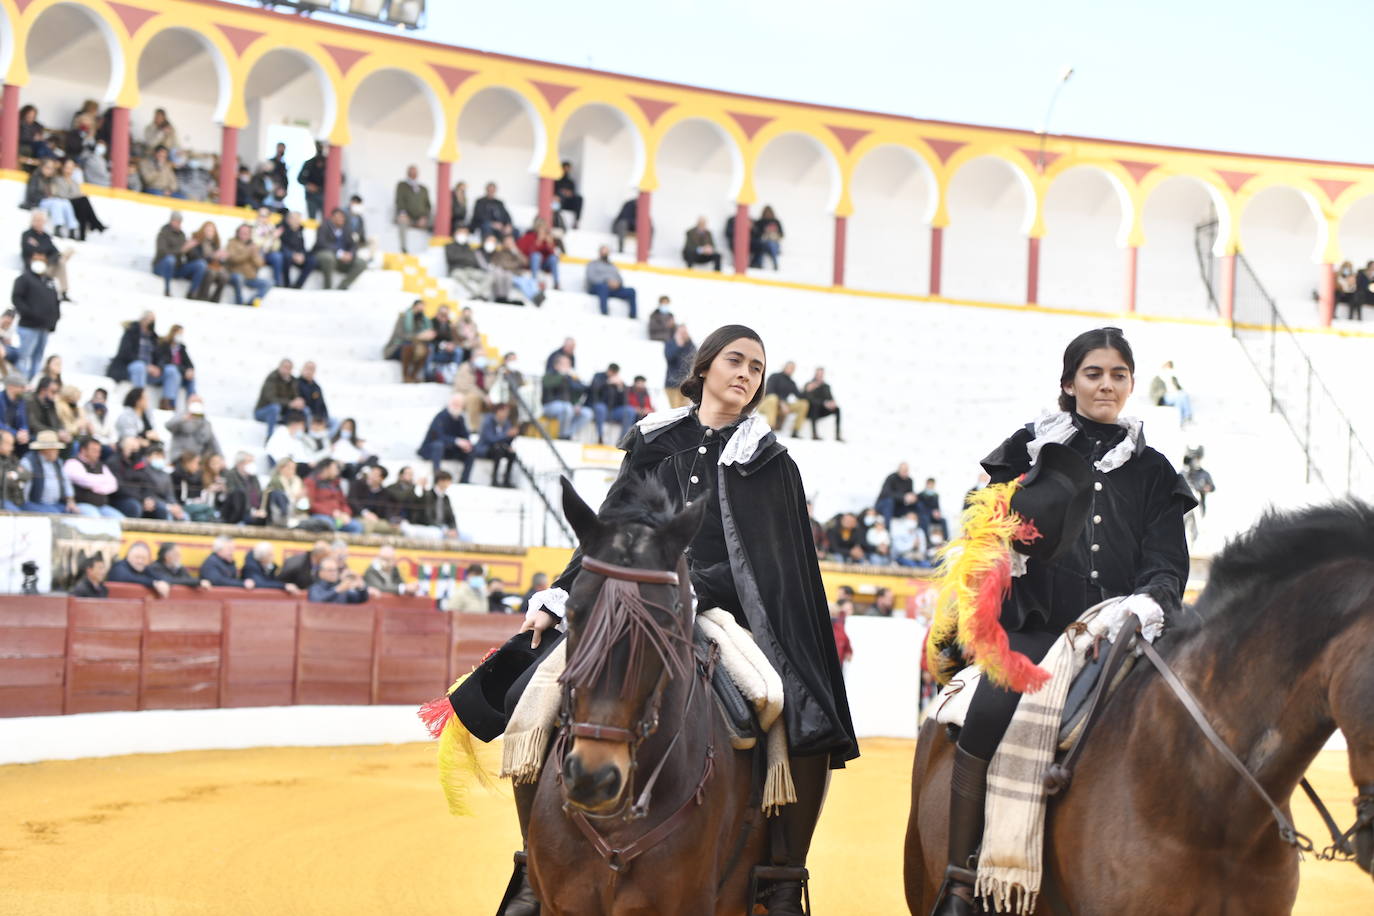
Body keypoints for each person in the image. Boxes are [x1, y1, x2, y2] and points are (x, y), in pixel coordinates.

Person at [518, 324, 858, 916]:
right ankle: (531, 869)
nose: (747, 375)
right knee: (535, 697)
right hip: (633, 602)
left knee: (787, 704)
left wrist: (700, 593)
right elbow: (607, 532)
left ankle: (781, 876)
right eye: (735, 360)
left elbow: (775, 566)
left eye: (757, 367)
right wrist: (560, 595)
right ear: (703, 368)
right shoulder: (652, 443)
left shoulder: (773, 464)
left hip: (726, 615)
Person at [928, 327, 1194, 916]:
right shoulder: (1029, 447)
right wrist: (1004, 553)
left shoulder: (1154, 470)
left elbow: (1168, 562)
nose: (1106, 385)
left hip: (1122, 629)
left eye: (1118, 374)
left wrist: (1148, 600)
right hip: (1036, 628)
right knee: (988, 713)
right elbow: (983, 532)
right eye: (1093, 373)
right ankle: (958, 878)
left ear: (1130, 383)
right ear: (1069, 382)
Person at [11, 251, 60, 380]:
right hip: (29, 326)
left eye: (42, 259)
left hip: (44, 327)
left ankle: (30, 383)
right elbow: (17, 298)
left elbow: (55, 302)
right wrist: (29, 314)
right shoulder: (24, 279)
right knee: (24, 356)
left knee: (37, 358)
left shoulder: (49, 281)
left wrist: (53, 321)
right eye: (36, 259)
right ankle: (19, 383)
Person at [418, 393, 476, 482]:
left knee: (472, 449)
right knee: (438, 445)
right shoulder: (441, 416)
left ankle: (465, 480)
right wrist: (456, 441)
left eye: (459, 404)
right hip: (432, 450)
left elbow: (465, 435)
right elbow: (438, 436)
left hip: (449, 450)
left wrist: (466, 444)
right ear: (450, 403)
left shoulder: (460, 418)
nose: (457, 406)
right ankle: (437, 478)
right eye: (455, 403)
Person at [63, 437, 123, 519]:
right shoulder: (72, 463)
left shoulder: (101, 465)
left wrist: (96, 487)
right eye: (94, 451)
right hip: (81, 504)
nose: (98, 454)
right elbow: (85, 480)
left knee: (121, 520)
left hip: (102, 506)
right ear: (83, 450)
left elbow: (114, 484)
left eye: (99, 451)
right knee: (95, 519)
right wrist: (104, 480)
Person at [20, 430, 77, 514]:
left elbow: (66, 482)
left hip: (57, 504)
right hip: (36, 504)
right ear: (46, 449)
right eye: (55, 448)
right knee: (55, 514)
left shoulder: (58, 462)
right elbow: (24, 491)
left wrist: (70, 501)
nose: (58, 451)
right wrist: (26, 505)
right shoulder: (28, 462)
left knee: (76, 514)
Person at [152, 211, 208, 298]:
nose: (178, 223)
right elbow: (162, 252)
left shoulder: (182, 235)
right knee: (170, 260)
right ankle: (167, 290)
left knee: (201, 264)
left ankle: (192, 293)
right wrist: (181, 250)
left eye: (180, 221)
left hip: (176, 268)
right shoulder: (163, 234)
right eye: (176, 221)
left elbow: (188, 256)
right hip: (161, 267)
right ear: (171, 221)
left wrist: (192, 248)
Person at [21, 210, 73, 300]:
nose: (39, 223)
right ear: (32, 221)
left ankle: (64, 292)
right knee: (60, 260)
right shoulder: (27, 235)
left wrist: (43, 253)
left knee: (62, 260)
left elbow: (55, 251)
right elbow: (29, 250)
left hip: (48, 264)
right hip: (35, 267)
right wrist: (44, 251)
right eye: (37, 220)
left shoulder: (46, 236)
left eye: (41, 221)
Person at [540, 353, 591, 441]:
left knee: (587, 413)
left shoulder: (570, 378)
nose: (567, 367)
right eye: (564, 364)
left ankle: (568, 434)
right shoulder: (549, 375)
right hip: (550, 406)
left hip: (568, 407)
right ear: (556, 365)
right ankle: (562, 436)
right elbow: (549, 385)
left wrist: (576, 405)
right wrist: (562, 375)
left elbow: (580, 389)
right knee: (566, 407)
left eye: (568, 364)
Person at [107, 311, 161, 393]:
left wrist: (159, 367)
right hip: (130, 367)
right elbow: (125, 353)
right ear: (143, 320)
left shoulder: (154, 338)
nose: (152, 323)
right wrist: (146, 366)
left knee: (171, 372)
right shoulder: (131, 332)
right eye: (150, 320)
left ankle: (168, 402)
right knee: (139, 367)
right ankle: (139, 397)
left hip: (150, 372)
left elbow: (160, 357)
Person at [23, 158, 79, 237]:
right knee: (56, 202)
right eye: (47, 168)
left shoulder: (51, 180)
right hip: (38, 202)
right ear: (42, 167)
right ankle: (57, 227)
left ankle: (72, 228)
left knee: (65, 202)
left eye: (51, 169)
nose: (49, 170)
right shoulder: (35, 177)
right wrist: (46, 197)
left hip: (48, 201)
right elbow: (32, 195)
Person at [314, 208, 367, 290]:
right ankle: (327, 288)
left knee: (361, 263)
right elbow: (321, 243)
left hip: (343, 259)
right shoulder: (324, 227)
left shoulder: (346, 229)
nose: (341, 219)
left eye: (343, 217)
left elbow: (353, 245)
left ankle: (342, 287)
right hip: (326, 256)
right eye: (338, 217)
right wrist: (339, 253)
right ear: (332, 217)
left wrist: (350, 254)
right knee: (328, 258)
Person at [53, 158, 106, 240]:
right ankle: (95, 224)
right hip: (65, 203)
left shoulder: (74, 182)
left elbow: (77, 193)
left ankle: (86, 232)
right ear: (63, 168)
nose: (69, 170)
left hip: (77, 204)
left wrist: (77, 196)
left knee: (83, 205)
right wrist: (76, 196)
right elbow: (61, 194)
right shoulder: (58, 180)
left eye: (71, 168)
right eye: (67, 167)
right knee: (83, 200)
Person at [304, 459, 361, 533]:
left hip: (338, 517)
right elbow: (311, 503)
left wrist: (345, 514)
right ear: (326, 469)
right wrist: (331, 513)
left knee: (356, 527)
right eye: (334, 468)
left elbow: (343, 502)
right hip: (320, 515)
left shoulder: (335, 483)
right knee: (328, 524)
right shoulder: (311, 481)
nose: (337, 471)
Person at [588, 363, 638, 446]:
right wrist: (608, 382)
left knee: (629, 411)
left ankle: (622, 440)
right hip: (600, 408)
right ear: (608, 370)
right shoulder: (598, 377)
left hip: (613, 411)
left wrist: (620, 388)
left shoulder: (619, 382)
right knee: (601, 408)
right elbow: (594, 390)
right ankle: (600, 437)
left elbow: (624, 401)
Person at [254, 359, 305, 440]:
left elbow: (295, 396)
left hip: (281, 414)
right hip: (263, 411)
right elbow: (271, 398)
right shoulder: (272, 378)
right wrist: (290, 403)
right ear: (279, 367)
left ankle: (301, 439)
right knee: (275, 408)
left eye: (289, 368)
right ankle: (270, 438)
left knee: (304, 410)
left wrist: (298, 402)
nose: (286, 370)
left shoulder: (292, 381)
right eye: (285, 367)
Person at [758, 361, 810, 436]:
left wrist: (806, 390)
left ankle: (795, 431)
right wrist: (782, 403)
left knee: (803, 404)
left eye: (793, 368)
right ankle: (771, 428)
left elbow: (799, 396)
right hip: (767, 404)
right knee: (773, 398)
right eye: (790, 367)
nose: (791, 369)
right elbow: (770, 391)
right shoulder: (774, 376)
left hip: (782, 407)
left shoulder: (791, 382)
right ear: (785, 367)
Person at [225, 224, 272, 306]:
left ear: (250, 234)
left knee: (269, 283)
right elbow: (233, 259)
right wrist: (248, 252)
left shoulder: (254, 246)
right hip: (235, 275)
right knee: (238, 278)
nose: (244, 234)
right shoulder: (232, 243)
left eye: (246, 233)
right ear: (238, 233)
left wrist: (253, 255)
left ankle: (251, 302)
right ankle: (239, 303)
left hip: (250, 278)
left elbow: (260, 264)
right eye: (242, 232)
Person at [584, 246, 637, 318]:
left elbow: (620, 279)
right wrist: (606, 281)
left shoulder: (613, 266)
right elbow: (591, 277)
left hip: (613, 289)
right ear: (600, 252)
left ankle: (633, 316)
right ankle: (604, 313)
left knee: (631, 291)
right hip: (598, 288)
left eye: (607, 252)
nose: (605, 253)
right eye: (603, 251)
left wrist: (618, 284)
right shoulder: (593, 264)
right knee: (603, 287)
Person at [153, 325, 197, 411]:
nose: (180, 336)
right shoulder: (164, 345)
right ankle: (169, 403)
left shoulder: (181, 348)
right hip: (167, 372)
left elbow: (189, 363)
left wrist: (189, 370)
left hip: (180, 373)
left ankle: (193, 404)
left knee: (191, 379)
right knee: (173, 372)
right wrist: (184, 371)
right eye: (179, 333)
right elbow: (167, 362)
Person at [475, 402, 518, 487]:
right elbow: (490, 439)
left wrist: (512, 436)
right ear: (498, 411)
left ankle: (506, 479)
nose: (506, 414)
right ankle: (494, 479)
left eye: (507, 413)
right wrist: (507, 435)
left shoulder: (506, 422)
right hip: (485, 449)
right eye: (504, 412)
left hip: (499, 448)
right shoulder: (488, 421)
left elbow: (506, 441)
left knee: (511, 453)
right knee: (498, 451)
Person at [445, 227, 494, 300]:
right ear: (456, 233)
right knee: (459, 275)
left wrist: (462, 258)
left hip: (470, 270)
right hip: (457, 269)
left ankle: (477, 294)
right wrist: (465, 258)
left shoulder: (469, 247)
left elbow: (473, 260)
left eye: (466, 233)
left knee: (490, 277)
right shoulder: (449, 246)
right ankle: (476, 294)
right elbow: (452, 258)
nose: (464, 235)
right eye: (462, 232)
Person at [186, 221, 229, 302]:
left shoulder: (215, 244)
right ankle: (203, 296)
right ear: (203, 230)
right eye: (208, 230)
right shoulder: (197, 241)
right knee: (210, 273)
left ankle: (215, 299)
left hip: (212, 267)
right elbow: (195, 258)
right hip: (199, 268)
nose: (210, 233)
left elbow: (219, 261)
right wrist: (212, 257)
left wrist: (222, 258)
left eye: (212, 231)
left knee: (224, 276)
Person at [394, 164, 432, 254]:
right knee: (402, 222)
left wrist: (424, 217)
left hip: (421, 218)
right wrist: (403, 213)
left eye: (415, 172)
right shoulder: (402, 186)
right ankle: (403, 248)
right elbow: (399, 200)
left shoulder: (423, 188)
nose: (413, 174)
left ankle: (431, 248)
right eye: (411, 172)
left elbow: (428, 205)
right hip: (407, 217)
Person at [308, 555, 375, 604]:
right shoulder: (315, 588)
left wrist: (361, 587)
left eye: (335, 570)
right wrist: (337, 590)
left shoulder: (342, 588)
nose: (334, 573)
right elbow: (316, 601)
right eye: (330, 570)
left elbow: (360, 600)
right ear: (321, 573)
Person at [517, 218, 561, 290]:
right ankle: (534, 280)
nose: (543, 229)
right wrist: (539, 241)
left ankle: (556, 283)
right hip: (530, 262)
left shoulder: (547, 237)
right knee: (536, 255)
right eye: (541, 227)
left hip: (544, 264)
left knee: (553, 258)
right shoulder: (529, 236)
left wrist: (549, 244)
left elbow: (552, 253)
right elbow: (529, 251)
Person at [223, 451, 266, 526]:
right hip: (239, 512)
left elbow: (259, 494)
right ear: (240, 463)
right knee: (239, 493)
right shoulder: (230, 475)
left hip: (256, 512)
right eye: (250, 461)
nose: (252, 464)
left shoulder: (253, 477)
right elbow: (234, 496)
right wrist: (251, 512)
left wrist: (260, 510)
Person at [1148, 360, 1193, 427]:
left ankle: (1183, 421)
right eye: (1168, 368)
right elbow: (1152, 392)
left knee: (1181, 397)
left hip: (1175, 396)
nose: (1169, 370)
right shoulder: (1158, 378)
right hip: (1163, 398)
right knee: (1180, 396)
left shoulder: (1173, 378)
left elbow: (1180, 389)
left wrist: (1177, 390)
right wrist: (1162, 394)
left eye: (1170, 368)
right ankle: (1187, 417)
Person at [803, 368, 843, 441]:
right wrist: (824, 403)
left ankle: (838, 435)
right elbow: (808, 399)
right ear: (815, 374)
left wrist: (832, 403)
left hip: (822, 411)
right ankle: (814, 434)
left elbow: (830, 397)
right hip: (811, 411)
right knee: (815, 406)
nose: (820, 375)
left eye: (821, 374)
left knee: (837, 409)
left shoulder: (826, 386)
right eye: (818, 374)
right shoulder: (809, 385)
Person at [279, 211, 316, 288]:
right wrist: (293, 254)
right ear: (288, 220)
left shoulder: (301, 231)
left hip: (298, 255)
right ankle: (286, 284)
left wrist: (302, 255)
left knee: (312, 260)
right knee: (287, 256)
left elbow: (302, 247)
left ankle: (298, 285)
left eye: (298, 219)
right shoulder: (282, 229)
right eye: (295, 219)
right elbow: (281, 246)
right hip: (287, 255)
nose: (297, 221)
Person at [875, 462, 917, 527]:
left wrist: (913, 498)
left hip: (897, 507)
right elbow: (886, 493)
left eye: (906, 470)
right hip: (883, 505)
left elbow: (910, 493)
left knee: (917, 505)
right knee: (889, 501)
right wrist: (903, 497)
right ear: (899, 469)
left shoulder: (909, 480)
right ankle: (887, 528)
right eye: (903, 470)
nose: (905, 472)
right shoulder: (891, 477)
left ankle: (916, 531)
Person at [663, 324, 695, 408]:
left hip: (686, 384)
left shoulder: (690, 345)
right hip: (672, 384)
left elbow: (694, 359)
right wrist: (678, 346)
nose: (683, 334)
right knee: (676, 409)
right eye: (681, 332)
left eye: (685, 332)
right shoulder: (670, 343)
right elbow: (669, 357)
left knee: (685, 410)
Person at [0, 429, 29, 510]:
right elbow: (2, 478)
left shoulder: (12, 458)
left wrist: (14, 475)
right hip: (3, 501)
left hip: (16, 501)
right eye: (9, 444)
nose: (12, 448)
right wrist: (17, 480)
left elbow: (27, 474)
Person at [0, 372, 30, 449]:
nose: (24, 389)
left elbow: (23, 421)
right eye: (21, 387)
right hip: (4, 435)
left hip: (17, 436)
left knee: (29, 441)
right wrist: (15, 433)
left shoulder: (20, 400)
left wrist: (24, 431)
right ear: (11, 387)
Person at [914, 477, 948, 544]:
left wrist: (938, 513)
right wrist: (931, 512)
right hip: (924, 515)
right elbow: (920, 508)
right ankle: (927, 541)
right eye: (930, 484)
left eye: (932, 485)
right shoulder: (920, 495)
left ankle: (945, 540)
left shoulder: (936, 495)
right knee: (925, 519)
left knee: (943, 520)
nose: (931, 486)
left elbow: (937, 507)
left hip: (933, 516)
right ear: (926, 484)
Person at [298, 144, 327, 221]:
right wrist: (308, 185)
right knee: (312, 219)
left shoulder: (329, 163)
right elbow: (300, 178)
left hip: (324, 195)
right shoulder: (309, 163)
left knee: (326, 217)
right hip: (311, 196)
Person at [750, 205, 785, 270]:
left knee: (772, 244)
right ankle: (758, 264)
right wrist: (765, 234)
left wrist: (774, 235)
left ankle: (775, 263)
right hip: (764, 242)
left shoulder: (776, 221)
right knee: (762, 245)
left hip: (774, 242)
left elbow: (782, 234)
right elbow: (756, 233)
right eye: (766, 212)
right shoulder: (760, 222)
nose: (768, 214)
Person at [552, 161, 583, 228]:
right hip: (558, 202)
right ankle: (555, 219)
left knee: (579, 198)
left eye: (568, 168)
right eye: (565, 168)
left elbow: (572, 193)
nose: (566, 170)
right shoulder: (556, 181)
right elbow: (553, 193)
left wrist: (568, 193)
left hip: (567, 203)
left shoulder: (571, 182)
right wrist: (562, 192)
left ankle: (576, 222)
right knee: (558, 197)